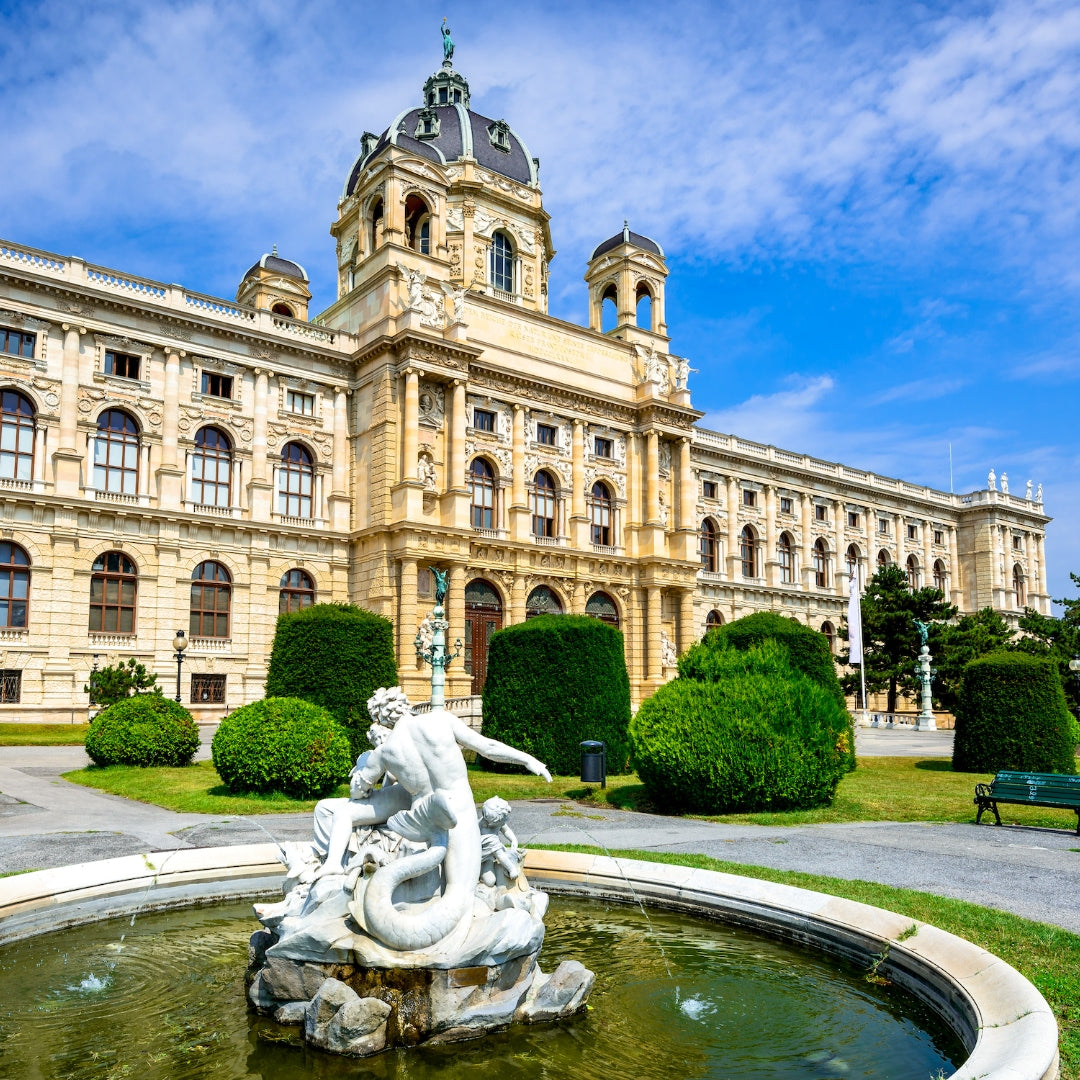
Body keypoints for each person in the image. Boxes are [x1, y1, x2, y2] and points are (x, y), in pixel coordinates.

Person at [312, 687, 550, 877]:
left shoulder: (385, 752)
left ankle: (335, 864)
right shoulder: (441, 719)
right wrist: (528, 760)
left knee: (446, 886)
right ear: (405, 705)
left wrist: (362, 774)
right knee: (464, 884)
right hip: (460, 806)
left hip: (423, 816)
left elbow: (358, 792)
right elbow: (487, 747)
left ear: (380, 719)